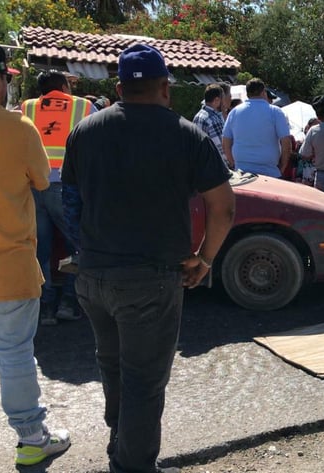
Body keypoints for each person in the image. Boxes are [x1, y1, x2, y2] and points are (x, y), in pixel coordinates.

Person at [61, 44, 235, 472]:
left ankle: (119, 445)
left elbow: (69, 203)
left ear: (119, 88)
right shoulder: (185, 134)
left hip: (94, 277)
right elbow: (224, 207)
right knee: (143, 380)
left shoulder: (84, 131)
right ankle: (132, 465)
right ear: (165, 88)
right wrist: (205, 258)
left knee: (113, 366)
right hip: (151, 280)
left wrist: (89, 251)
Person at [0, 46, 72, 467]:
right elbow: (43, 179)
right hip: (9, 265)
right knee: (13, 353)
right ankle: (30, 437)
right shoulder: (19, 128)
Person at [21, 70, 94, 325]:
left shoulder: (27, 107)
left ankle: (45, 307)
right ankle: (69, 302)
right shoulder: (83, 106)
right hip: (66, 188)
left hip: (32, 188)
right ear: (64, 85)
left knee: (40, 249)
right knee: (79, 246)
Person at [222, 77, 293, 178]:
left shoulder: (234, 112)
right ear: (264, 92)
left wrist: (233, 163)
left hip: (242, 172)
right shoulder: (275, 112)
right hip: (269, 172)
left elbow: (225, 142)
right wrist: (282, 167)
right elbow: (286, 142)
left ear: (247, 94)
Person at [192, 83, 228, 166]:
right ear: (216, 100)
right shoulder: (213, 119)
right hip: (214, 168)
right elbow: (222, 149)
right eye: (223, 99)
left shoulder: (198, 116)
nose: (224, 102)